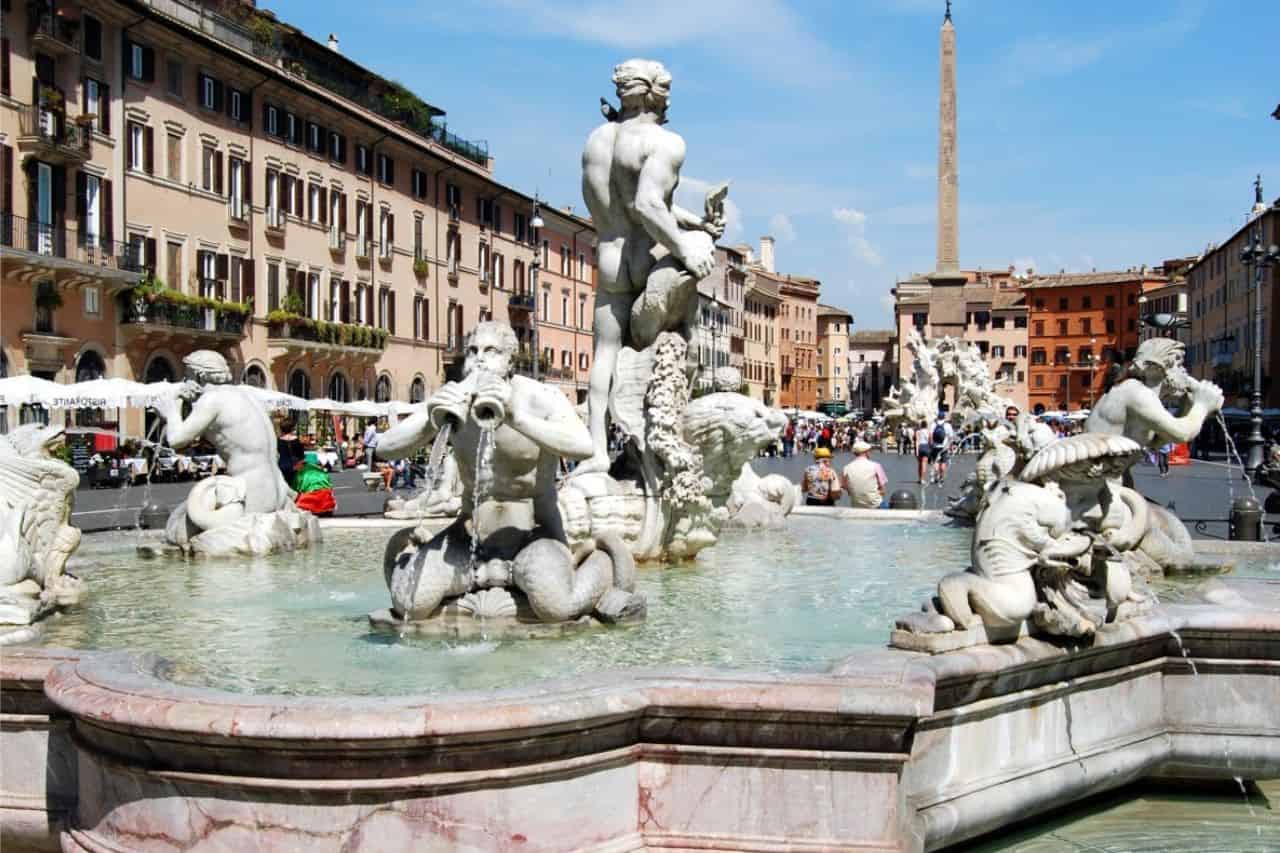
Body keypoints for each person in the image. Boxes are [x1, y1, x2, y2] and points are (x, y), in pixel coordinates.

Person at [574, 58, 726, 475]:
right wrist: (687, 245)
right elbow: (647, 204)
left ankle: (597, 452)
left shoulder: (597, 140)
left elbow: (637, 204)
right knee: (685, 335)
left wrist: (697, 220)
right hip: (643, 258)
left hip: (608, 255)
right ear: (658, 94)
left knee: (604, 353)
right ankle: (669, 433)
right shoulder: (665, 142)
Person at [842, 439, 888, 509]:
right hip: (875, 505)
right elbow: (883, 490)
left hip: (856, 505)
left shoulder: (846, 468)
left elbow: (844, 486)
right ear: (866, 452)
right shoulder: (876, 465)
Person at [293, 450, 336, 516]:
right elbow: (329, 486)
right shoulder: (318, 469)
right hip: (327, 498)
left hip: (311, 497)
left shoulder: (299, 475)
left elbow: (295, 492)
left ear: (299, 464)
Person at [276, 420, 305, 487]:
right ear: (292, 428)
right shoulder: (296, 441)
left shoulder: (278, 441)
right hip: (294, 467)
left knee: (284, 486)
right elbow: (301, 456)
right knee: (294, 486)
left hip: (282, 466)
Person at [930, 414, 952, 484]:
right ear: (944, 417)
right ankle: (942, 477)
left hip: (935, 447)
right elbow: (951, 437)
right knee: (943, 462)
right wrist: (950, 446)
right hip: (944, 447)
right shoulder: (947, 425)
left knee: (935, 462)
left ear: (938, 417)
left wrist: (931, 445)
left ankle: (936, 477)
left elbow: (930, 435)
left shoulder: (933, 424)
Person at [914, 419, 932, 483]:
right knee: (924, 463)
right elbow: (930, 441)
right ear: (926, 425)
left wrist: (916, 450)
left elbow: (917, 441)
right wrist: (930, 449)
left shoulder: (918, 432)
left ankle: (919, 478)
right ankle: (923, 479)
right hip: (926, 447)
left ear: (921, 425)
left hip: (920, 447)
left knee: (919, 464)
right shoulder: (928, 432)